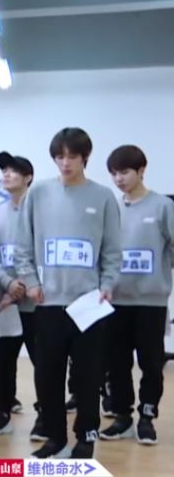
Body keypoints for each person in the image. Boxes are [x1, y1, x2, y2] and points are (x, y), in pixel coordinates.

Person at [15, 127, 121, 459]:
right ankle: (55, 437)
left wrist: (107, 284)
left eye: (72, 156)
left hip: (89, 303)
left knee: (88, 374)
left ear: (85, 158)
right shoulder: (38, 194)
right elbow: (22, 246)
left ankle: (86, 435)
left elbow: (112, 250)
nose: (65, 163)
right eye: (59, 156)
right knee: (47, 374)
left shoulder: (103, 197)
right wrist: (31, 282)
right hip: (48, 303)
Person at [102, 144, 171, 445]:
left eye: (125, 172)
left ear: (142, 170)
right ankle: (122, 417)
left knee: (151, 363)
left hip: (150, 302)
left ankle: (147, 416)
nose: (119, 179)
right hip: (116, 300)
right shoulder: (112, 208)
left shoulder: (162, 206)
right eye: (114, 173)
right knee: (117, 363)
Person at [0, 152, 37, 438]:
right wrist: (8, 284)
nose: (7, 175)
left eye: (14, 171)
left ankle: (46, 416)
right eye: (4, 171)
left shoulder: (39, 213)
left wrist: (22, 286)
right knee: (2, 365)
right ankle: (1, 414)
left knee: (44, 364)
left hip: (35, 304)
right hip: (1, 302)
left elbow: (41, 256)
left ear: (28, 178)